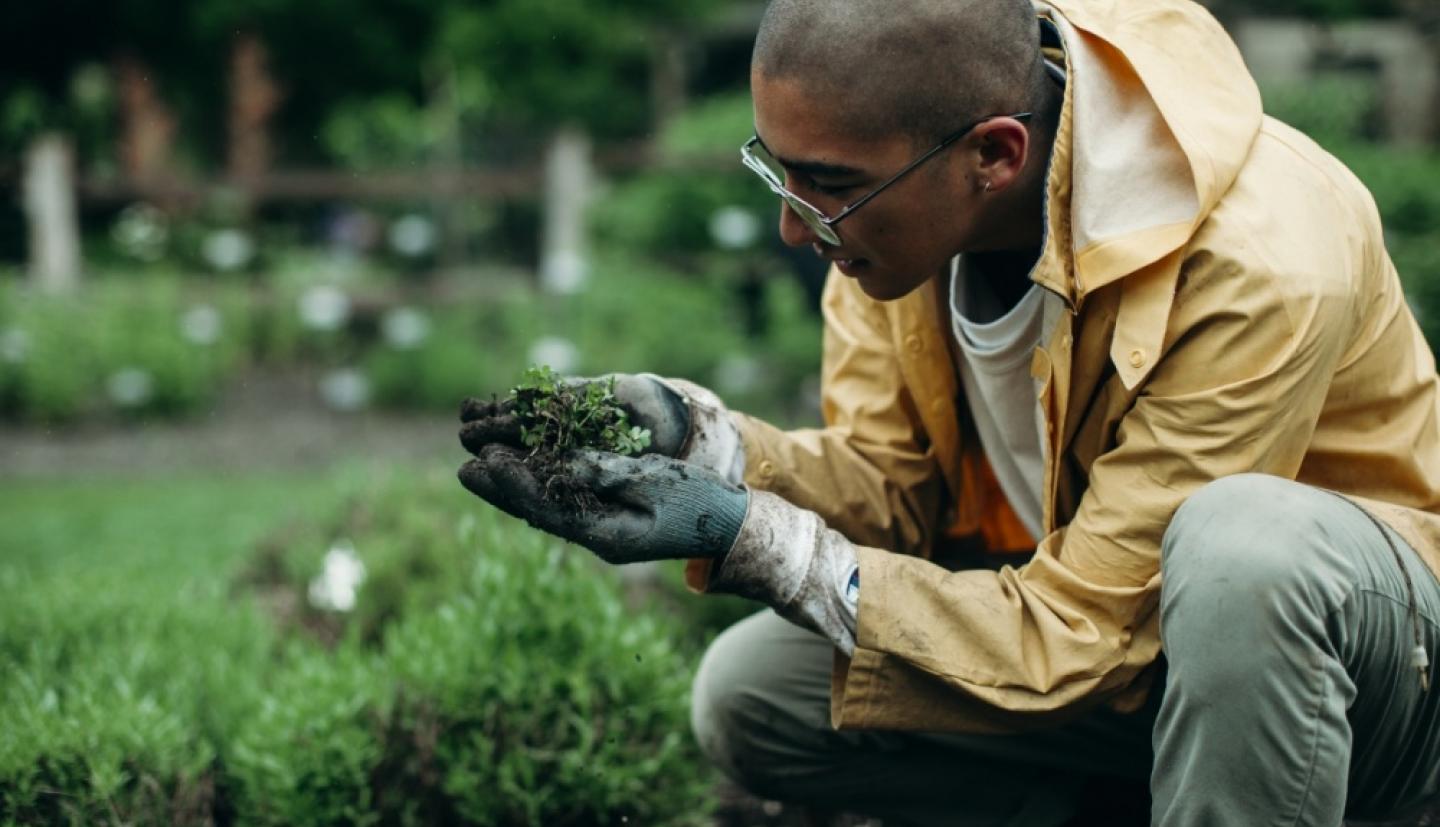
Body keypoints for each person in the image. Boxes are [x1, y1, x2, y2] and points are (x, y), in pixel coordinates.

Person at [458, 0, 1440, 823]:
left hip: (1374, 685)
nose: (794, 227)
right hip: (1132, 651)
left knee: (1241, 547)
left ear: (995, 153)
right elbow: (894, 490)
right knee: (757, 691)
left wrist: (757, 539)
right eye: (780, 170)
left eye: (827, 187)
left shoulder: (1253, 261)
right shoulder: (899, 206)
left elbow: (1093, 627)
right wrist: (703, 445)